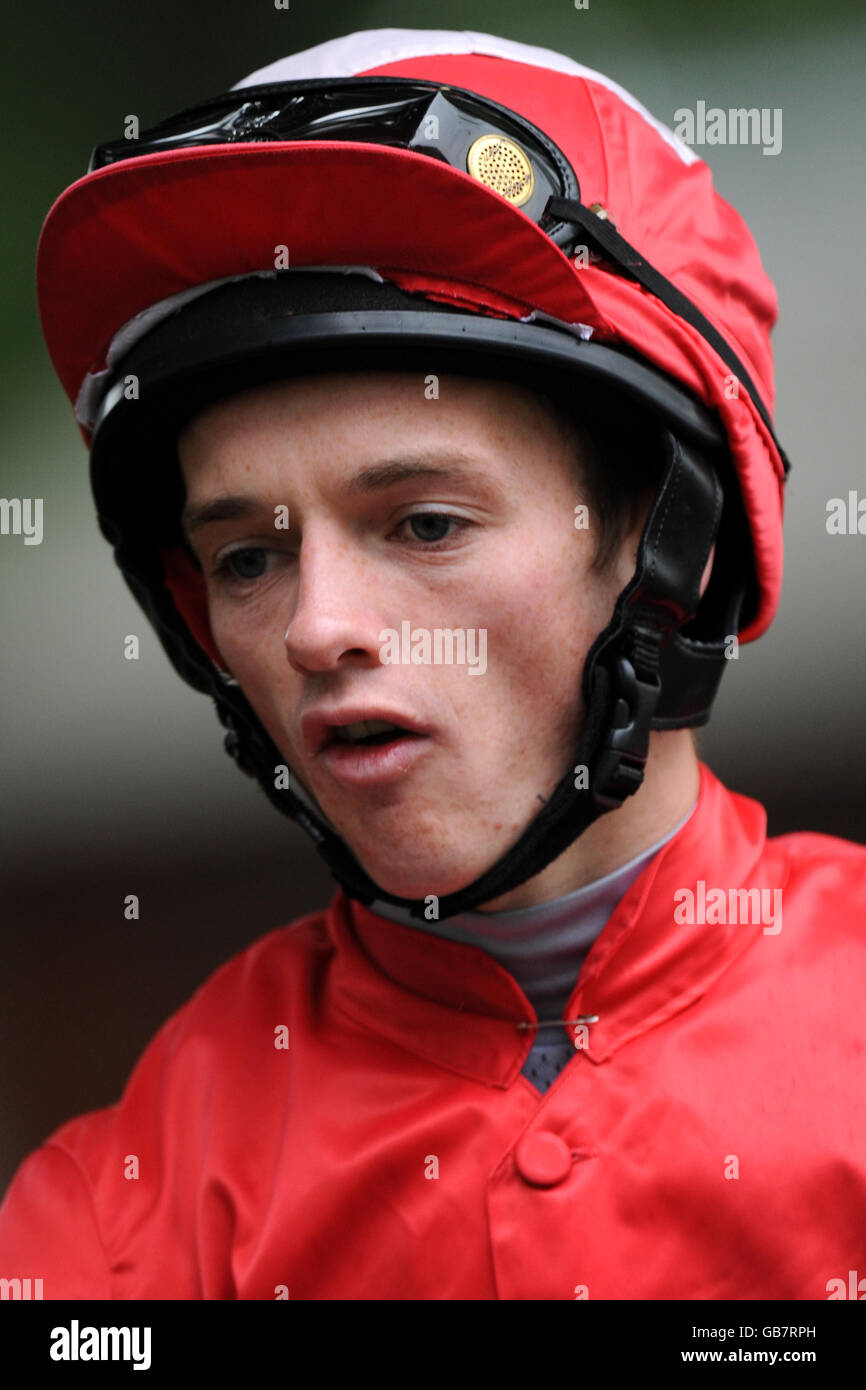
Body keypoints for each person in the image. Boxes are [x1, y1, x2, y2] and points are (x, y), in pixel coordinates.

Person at [1, 27, 864, 1302]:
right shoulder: (115, 1226)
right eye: (246, 558)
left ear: (665, 543)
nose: (314, 626)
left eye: (423, 523)